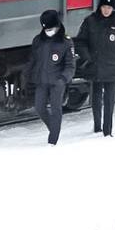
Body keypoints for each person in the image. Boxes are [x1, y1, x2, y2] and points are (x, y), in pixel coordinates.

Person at [75, 0, 115, 137]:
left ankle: (108, 131)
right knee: (96, 98)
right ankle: (97, 126)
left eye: (109, 8)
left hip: (112, 67)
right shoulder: (89, 22)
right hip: (94, 67)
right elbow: (80, 42)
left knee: (109, 101)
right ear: (100, 7)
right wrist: (87, 57)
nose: (106, 10)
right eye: (104, 7)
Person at [29, 10, 77, 146]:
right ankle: (54, 128)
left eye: (51, 29)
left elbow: (70, 65)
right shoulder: (38, 41)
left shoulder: (66, 42)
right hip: (42, 80)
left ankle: (53, 140)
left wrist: (63, 79)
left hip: (57, 81)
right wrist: (29, 75)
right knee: (39, 107)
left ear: (57, 26)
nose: (49, 31)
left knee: (56, 109)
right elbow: (34, 60)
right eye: (46, 29)